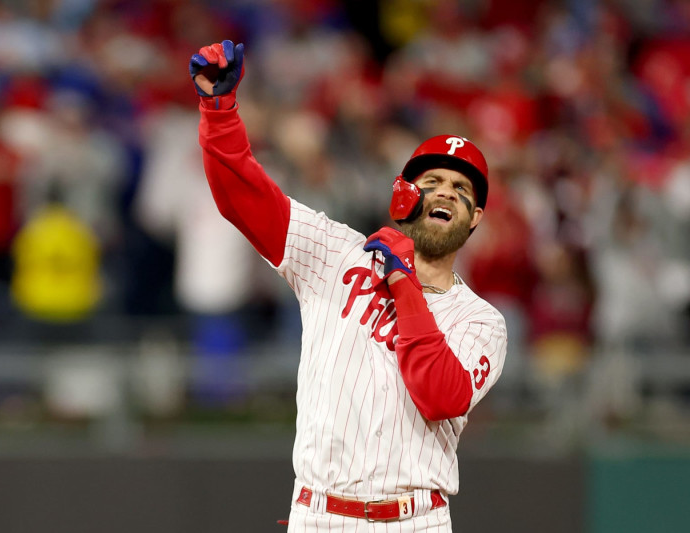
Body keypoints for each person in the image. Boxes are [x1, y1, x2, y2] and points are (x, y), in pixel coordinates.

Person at [189, 40, 507, 532]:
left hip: (414, 520)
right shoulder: (338, 254)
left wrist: (404, 283)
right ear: (404, 195)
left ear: (475, 219)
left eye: (462, 190)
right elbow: (242, 197)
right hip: (319, 516)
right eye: (433, 180)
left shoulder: (481, 320)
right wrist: (220, 110)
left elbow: (441, 395)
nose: (446, 190)